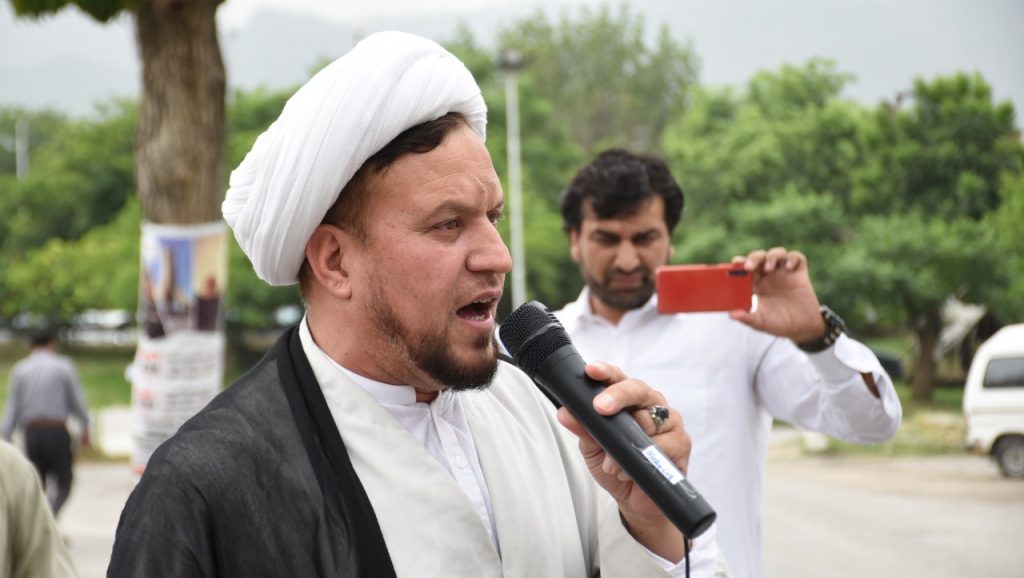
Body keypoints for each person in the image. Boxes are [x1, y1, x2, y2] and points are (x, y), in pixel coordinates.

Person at [108, 32, 728, 577]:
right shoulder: (206, 486)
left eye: (492, 217)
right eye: (448, 225)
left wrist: (649, 523)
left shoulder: (543, 411)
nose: (498, 257)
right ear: (334, 262)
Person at [554, 149, 903, 578]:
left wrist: (817, 335)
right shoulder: (538, 350)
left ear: (670, 239)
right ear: (575, 240)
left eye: (644, 238)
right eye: (607, 239)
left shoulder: (736, 327)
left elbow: (872, 424)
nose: (627, 260)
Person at [1, 329, 91, 517]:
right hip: (56, 430)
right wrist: (85, 426)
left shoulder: (20, 369)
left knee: (37, 483)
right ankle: (50, 517)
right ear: (52, 343)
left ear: (30, 346)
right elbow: (76, 401)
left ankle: (42, 522)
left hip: (32, 433)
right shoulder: (63, 367)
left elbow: (13, 407)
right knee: (65, 481)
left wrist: (5, 439)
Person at [0, 439, 77, 578]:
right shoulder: (9, 466)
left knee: (39, 482)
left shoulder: (10, 466)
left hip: (34, 435)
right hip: (55, 435)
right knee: (63, 484)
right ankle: (51, 514)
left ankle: (49, 514)